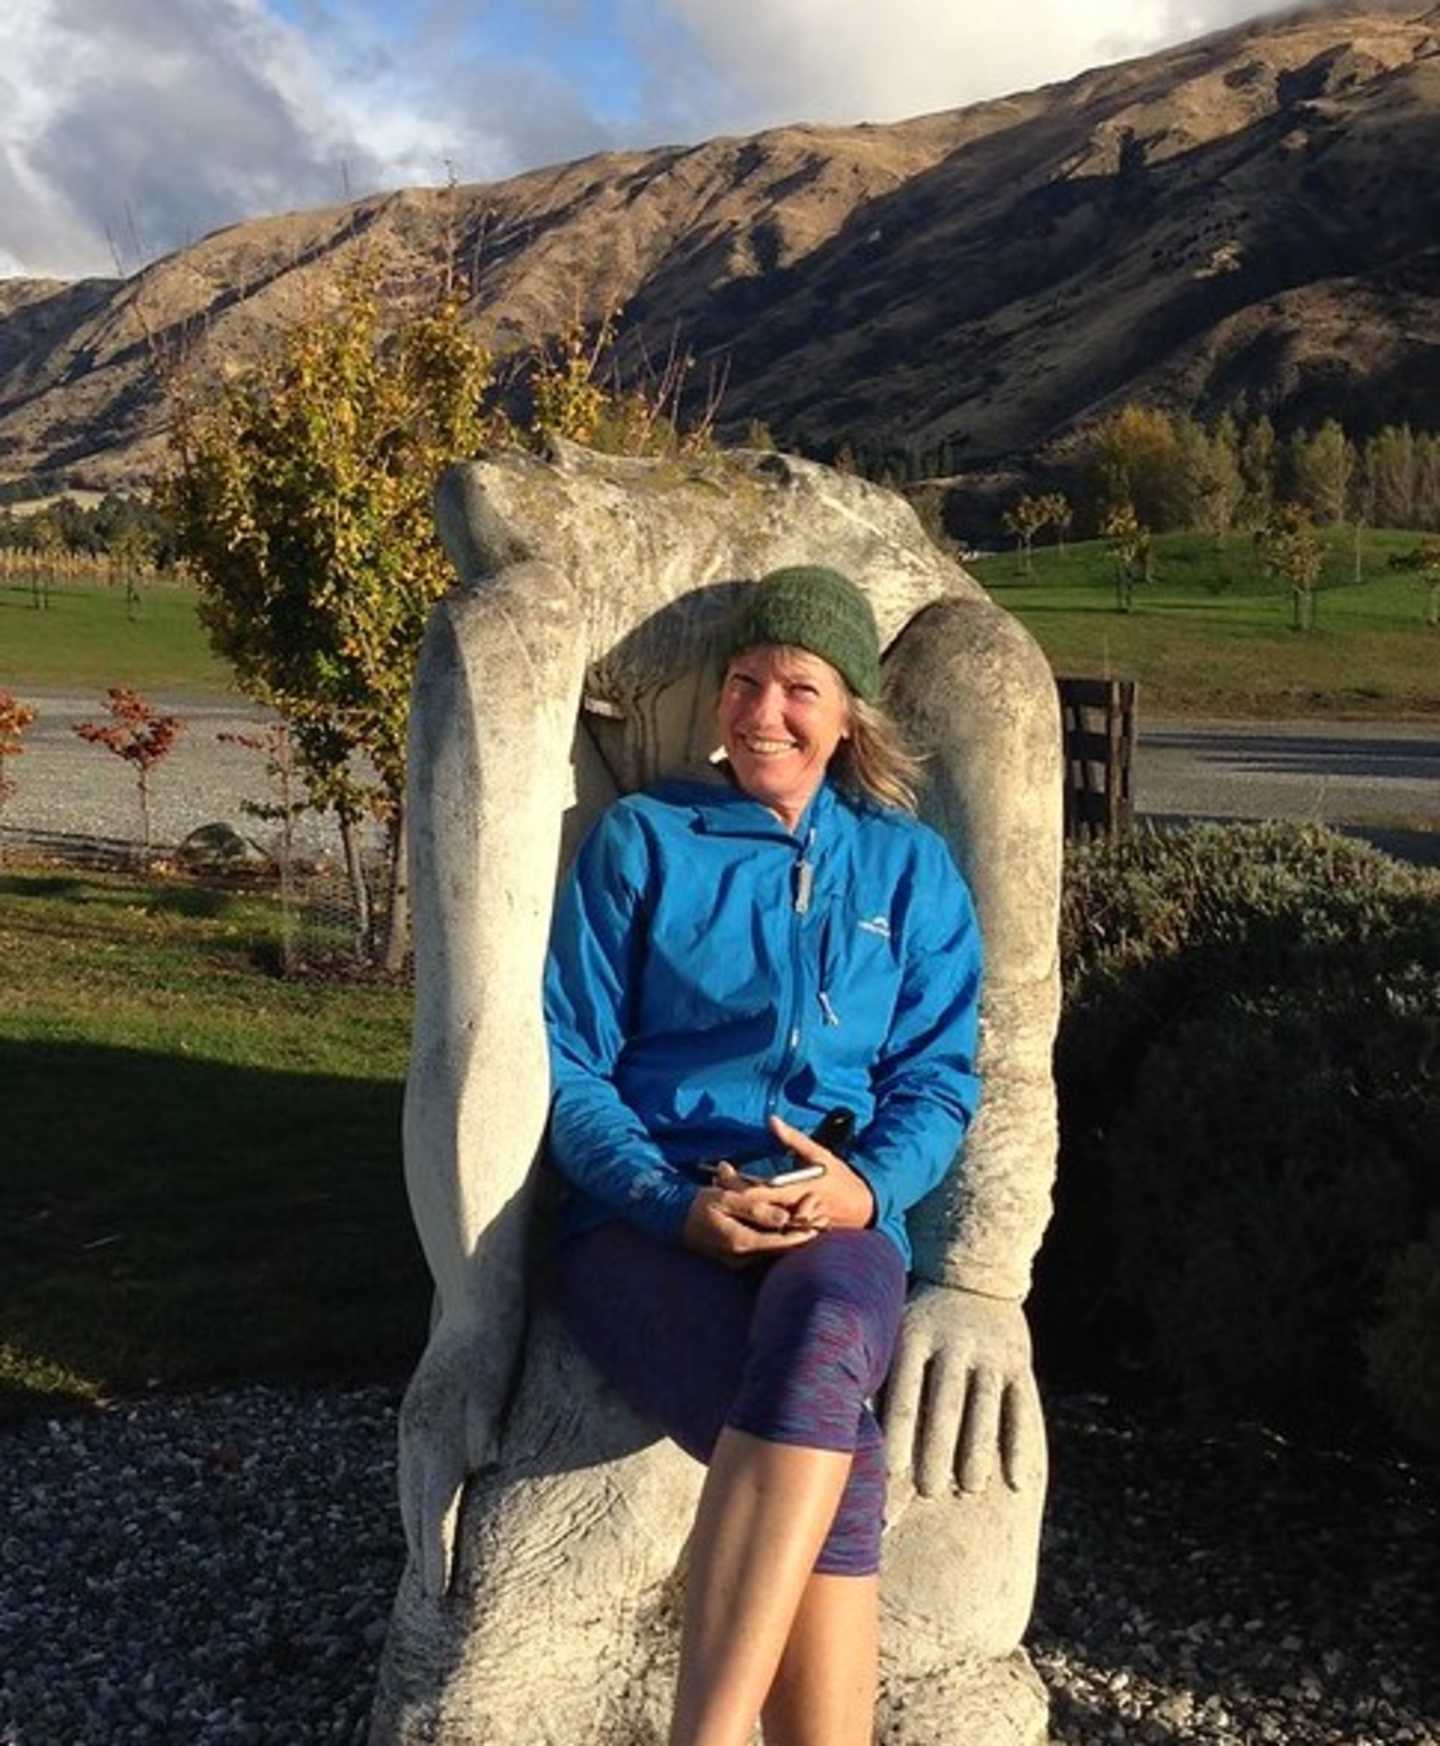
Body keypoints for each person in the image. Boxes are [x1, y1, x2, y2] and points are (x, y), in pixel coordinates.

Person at [542, 565, 983, 1746]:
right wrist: (667, 1201)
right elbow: (569, 1065)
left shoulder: (909, 870)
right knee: (847, 1457)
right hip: (642, 1222)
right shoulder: (646, 842)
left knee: (828, 1341)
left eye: (799, 688)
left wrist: (864, 1188)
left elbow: (939, 1078)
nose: (762, 713)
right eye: (744, 682)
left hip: (832, 1216)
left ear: (849, 717)